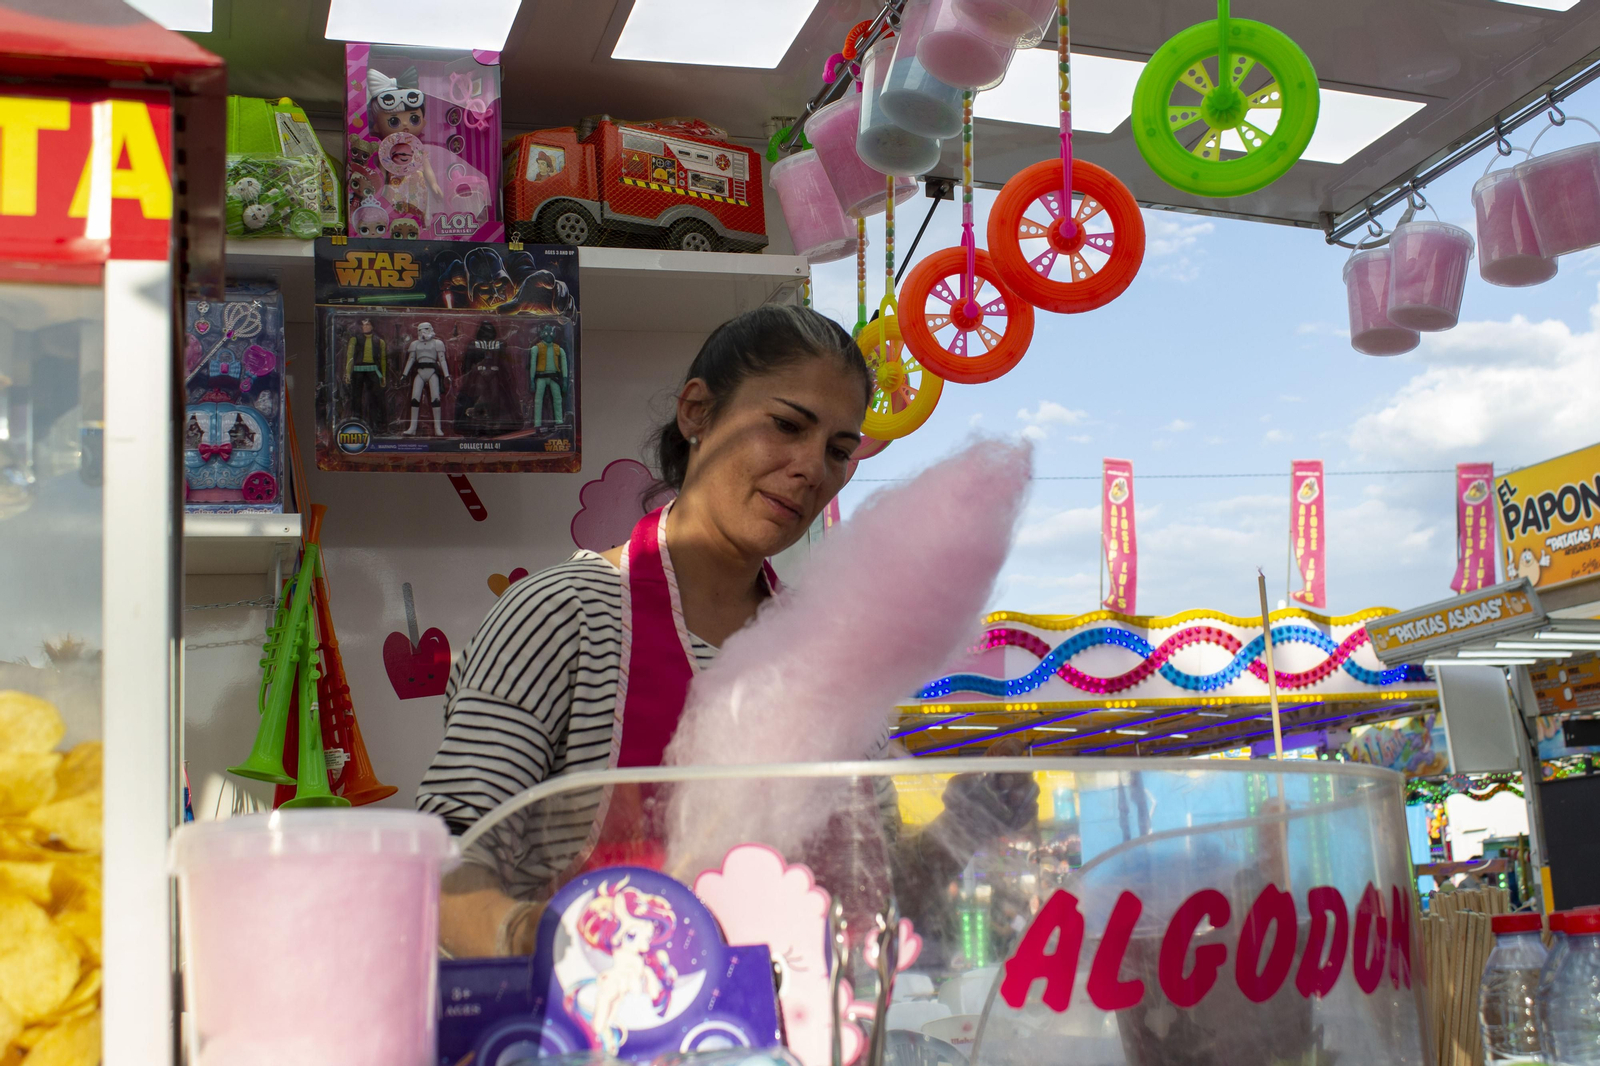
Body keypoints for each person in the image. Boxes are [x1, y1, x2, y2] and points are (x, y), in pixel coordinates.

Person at [419, 305, 1038, 959]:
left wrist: (964, 827)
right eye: (786, 425)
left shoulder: (827, 651)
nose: (810, 469)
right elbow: (444, 861)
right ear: (697, 413)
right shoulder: (562, 616)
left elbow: (870, 900)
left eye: (837, 451)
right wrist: (555, 942)